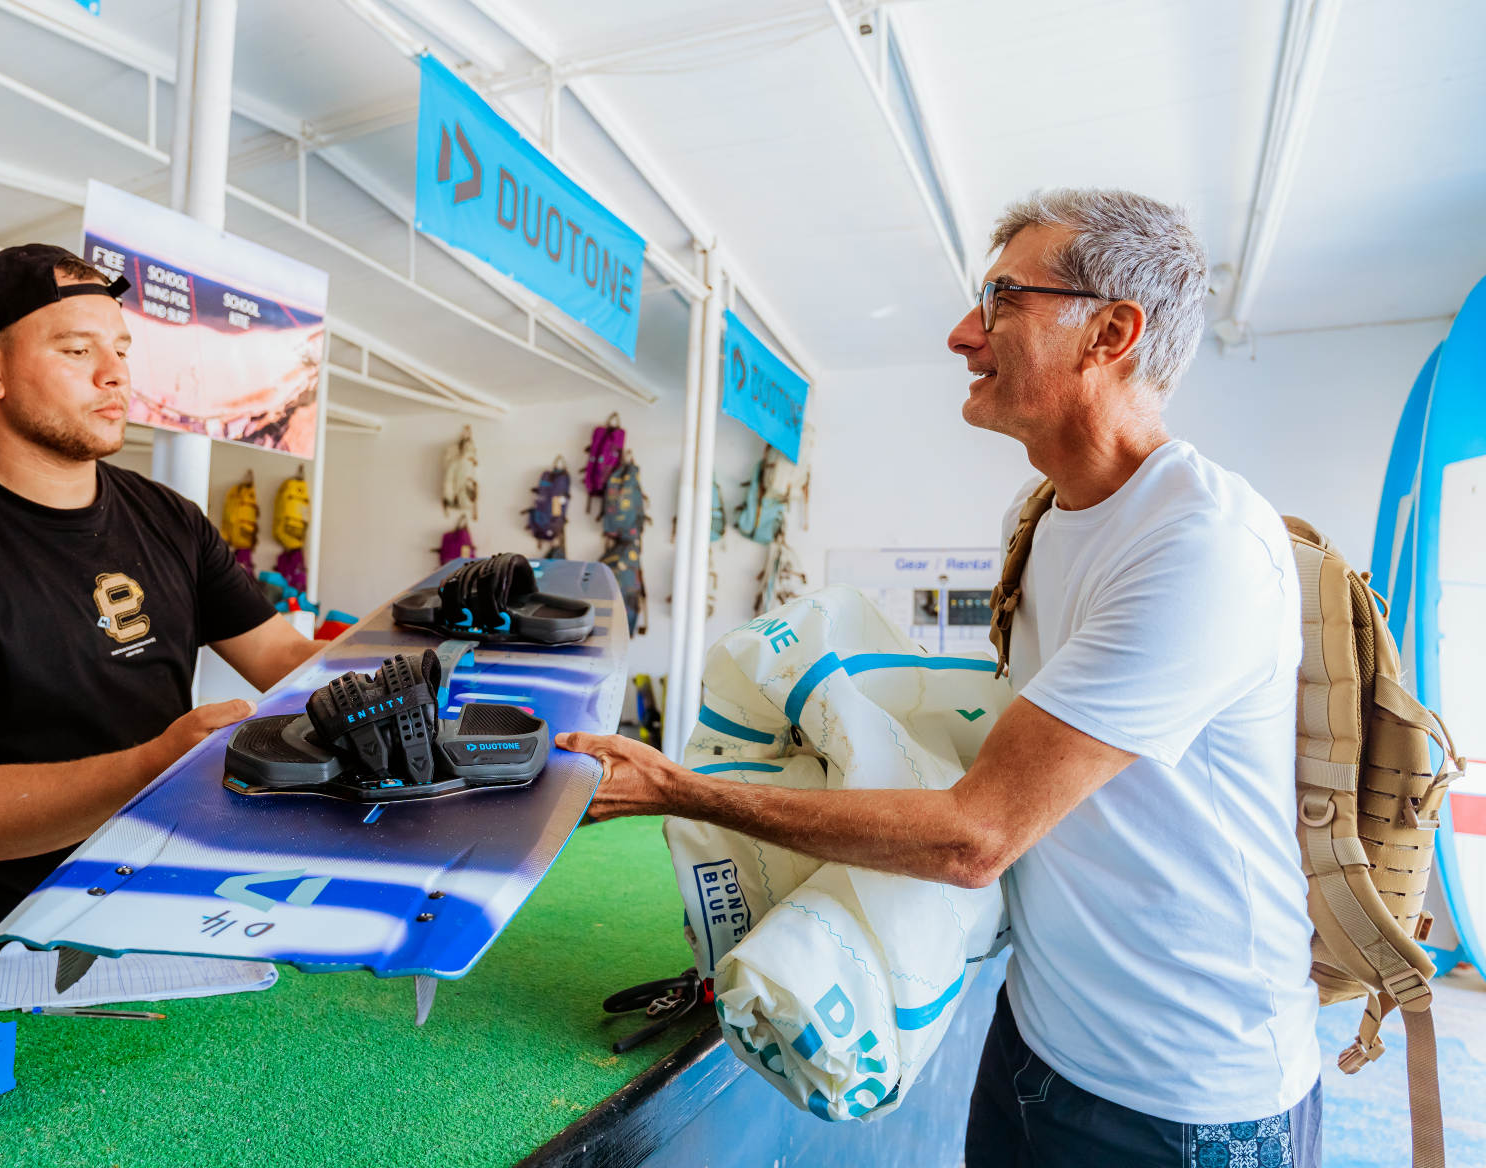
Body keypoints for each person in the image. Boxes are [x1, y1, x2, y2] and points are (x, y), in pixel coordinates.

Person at [557, 190, 1321, 1166]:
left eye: (1003, 298)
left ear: (1112, 333)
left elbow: (976, 834)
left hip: (1188, 1102)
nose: (965, 333)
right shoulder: (1037, 519)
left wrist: (676, 790)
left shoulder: (1199, 546)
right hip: (1035, 1043)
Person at [0, 244, 321, 978]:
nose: (115, 372)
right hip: (3, 958)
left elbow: (281, 658)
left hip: (167, 916)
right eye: (75, 348)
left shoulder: (169, 519)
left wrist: (423, 667)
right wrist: (158, 766)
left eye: (121, 348)